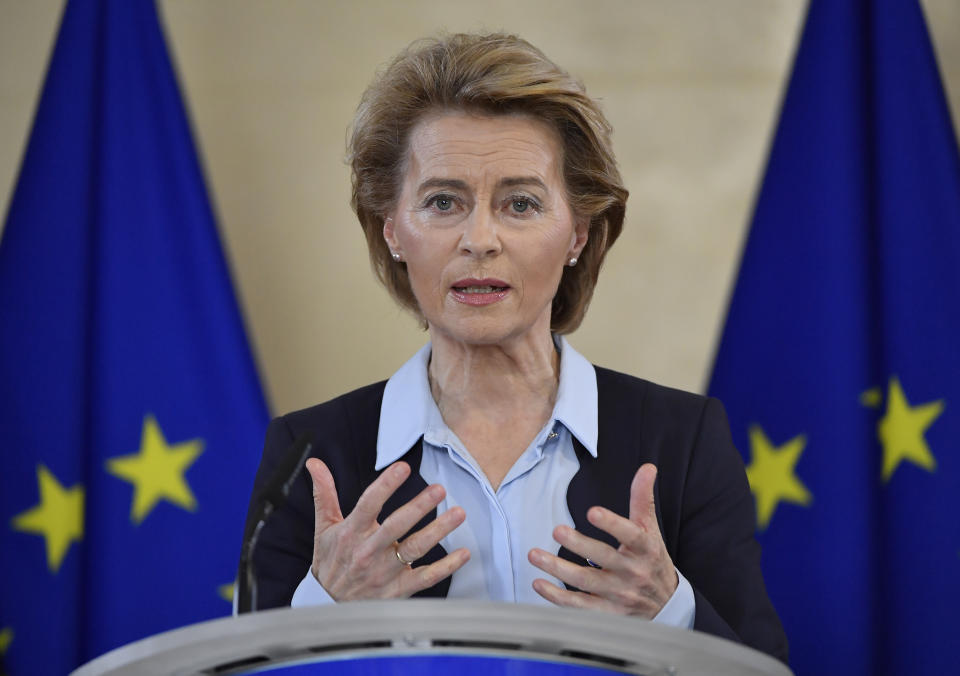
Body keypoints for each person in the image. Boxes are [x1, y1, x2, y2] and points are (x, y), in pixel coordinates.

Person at [243, 32, 788, 663]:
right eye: (443, 202)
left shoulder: (684, 441)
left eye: (520, 203)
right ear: (392, 229)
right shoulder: (308, 456)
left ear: (578, 232)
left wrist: (668, 614)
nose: (480, 239)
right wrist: (324, 609)